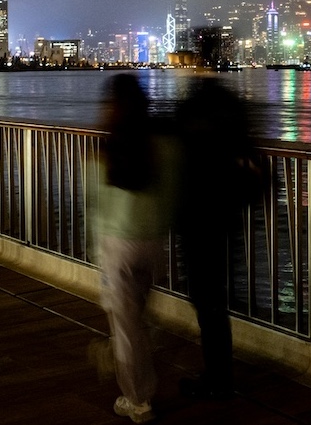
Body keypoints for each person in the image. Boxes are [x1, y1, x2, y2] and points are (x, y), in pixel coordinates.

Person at [93, 74, 176, 423]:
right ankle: (134, 357)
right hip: (152, 242)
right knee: (137, 317)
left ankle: (137, 400)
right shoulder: (163, 145)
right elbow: (171, 193)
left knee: (125, 328)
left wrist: (98, 251)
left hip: (117, 246)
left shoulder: (108, 146)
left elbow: (95, 204)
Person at [173, 75, 262, 400]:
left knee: (206, 299)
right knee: (213, 300)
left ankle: (217, 379)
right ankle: (219, 376)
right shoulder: (231, 117)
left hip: (200, 217)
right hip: (223, 217)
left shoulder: (197, 118)